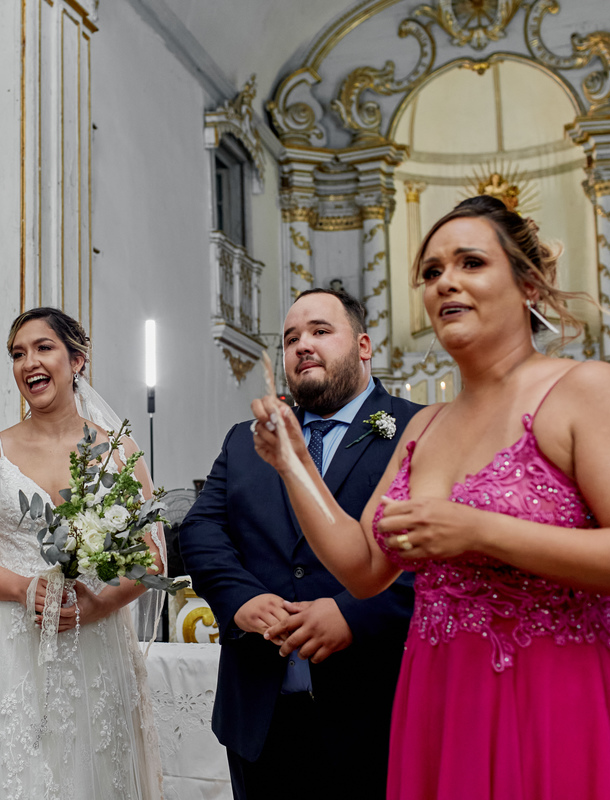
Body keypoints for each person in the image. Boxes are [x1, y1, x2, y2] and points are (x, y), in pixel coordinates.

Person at [251, 196, 610, 799]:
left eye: (470, 262)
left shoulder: (586, 390)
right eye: (431, 272)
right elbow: (361, 567)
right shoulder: (423, 428)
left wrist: (479, 530)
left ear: (528, 285)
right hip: (438, 697)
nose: (445, 281)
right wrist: (293, 462)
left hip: (552, 694)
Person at [181, 287, 420, 799]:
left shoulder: (414, 429)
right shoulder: (245, 440)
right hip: (261, 715)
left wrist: (351, 615)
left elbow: (431, 555)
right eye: (291, 338)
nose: (302, 345)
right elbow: (201, 532)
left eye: (319, 331)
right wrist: (241, 599)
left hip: (373, 710)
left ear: (362, 346)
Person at [0, 307, 163, 799]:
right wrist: (24, 588)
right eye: (17, 354)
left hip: (96, 640)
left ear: (77, 360)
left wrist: (98, 604)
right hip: (10, 645)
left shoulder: (117, 452)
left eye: (43, 348)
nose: (28, 363)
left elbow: (151, 557)